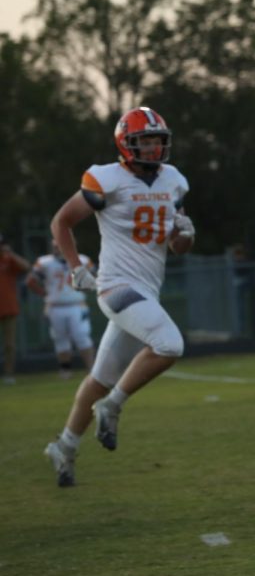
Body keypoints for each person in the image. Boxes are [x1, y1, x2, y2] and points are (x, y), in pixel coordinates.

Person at [42, 107, 194, 487]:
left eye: (158, 141)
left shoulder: (173, 181)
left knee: (99, 378)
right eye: (144, 141)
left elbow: (178, 247)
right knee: (169, 344)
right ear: (126, 143)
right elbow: (61, 221)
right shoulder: (105, 179)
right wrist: (77, 266)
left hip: (147, 290)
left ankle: (65, 446)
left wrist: (186, 234)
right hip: (116, 286)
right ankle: (111, 408)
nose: (153, 148)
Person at [26, 243, 96, 378]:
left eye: (60, 245)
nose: (57, 248)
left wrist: (88, 286)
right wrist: (43, 293)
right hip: (55, 306)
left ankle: (92, 369)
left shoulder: (82, 259)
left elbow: (96, 274)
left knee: (82, 336)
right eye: (55, 246)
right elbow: (30, 280)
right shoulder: (45, 262)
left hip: (76, 304)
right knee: (60, 339)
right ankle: (65, 370)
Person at [0, 234, 33, 385]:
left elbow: (26, 266)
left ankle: (8, 373)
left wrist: (11, 253)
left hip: (9, 307)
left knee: (9, 344)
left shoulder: (8, 260)